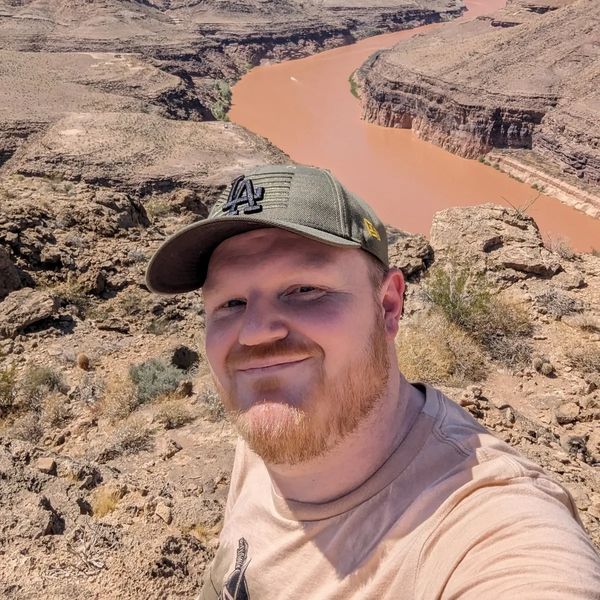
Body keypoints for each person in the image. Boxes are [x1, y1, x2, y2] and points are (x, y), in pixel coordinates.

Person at [146, 164, 600, 599]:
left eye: (304, 289)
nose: (256, 333)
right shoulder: (265, 428)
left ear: (387, 305)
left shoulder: (486, 527)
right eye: (229, 303)